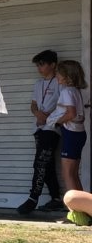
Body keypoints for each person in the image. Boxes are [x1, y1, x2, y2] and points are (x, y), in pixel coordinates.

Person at [17, 49, 63, 216]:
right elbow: (33, 105)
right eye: (38, 65)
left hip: (52, 129)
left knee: (40, 163)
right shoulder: (38, 84)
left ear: (53, 65)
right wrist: (38, 115)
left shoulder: (60, 82)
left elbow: (63, 105)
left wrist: (47, 117)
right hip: (38, 128)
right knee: (47, 165)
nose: (39, 68)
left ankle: (33, 198)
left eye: (42, 64)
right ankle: (56, 198)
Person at [45, 59, 87, 197]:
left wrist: (57, 122)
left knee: (67, 174)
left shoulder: (67, 92)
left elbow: (71, 113)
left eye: (58, 73)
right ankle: (83, 206)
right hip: (78, 133)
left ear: (67, 75)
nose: (56, 75)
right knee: (73, 173)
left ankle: (74, 208)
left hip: (71, 133)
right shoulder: (75, 90)